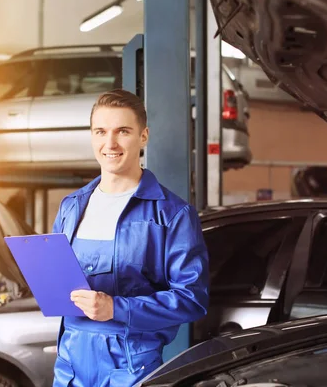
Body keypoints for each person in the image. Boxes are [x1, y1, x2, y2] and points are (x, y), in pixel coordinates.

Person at [51, 89, 210, 387]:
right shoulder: (71, 207)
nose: (109, 143)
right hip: (70, 363)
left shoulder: (172, 214)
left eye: (122, 131)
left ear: (144, 136)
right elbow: (59, 280)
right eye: (100, 131)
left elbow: (192, 299)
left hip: (131, 366)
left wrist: (116, 308)